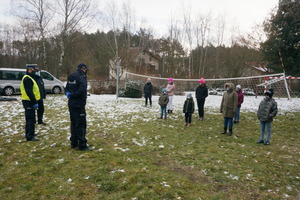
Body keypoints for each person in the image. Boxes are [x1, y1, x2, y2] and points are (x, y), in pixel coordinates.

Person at [65, 63, 91, 151]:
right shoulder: (81, 77)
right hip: (79, 103)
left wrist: (69, 94)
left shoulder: (71, 76)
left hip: (71, 103)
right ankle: (82, 145)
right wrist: (74, 95)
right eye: (86, 69)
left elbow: (66, 88)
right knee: (81, 124)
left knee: (74, 123)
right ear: (83, 69)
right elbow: (82, 89)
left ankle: (74, 142)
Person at [20, 64, 41, 141]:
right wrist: (34, 101)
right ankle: (29, 136)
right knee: (30, 119)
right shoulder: (27, 79)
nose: (35, 72)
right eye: (34, 70)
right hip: (28, 101)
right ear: (30, 69)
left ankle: (31, 132)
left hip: (29, 101)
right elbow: (29, 92)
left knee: (32, 118)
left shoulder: (29, 78)